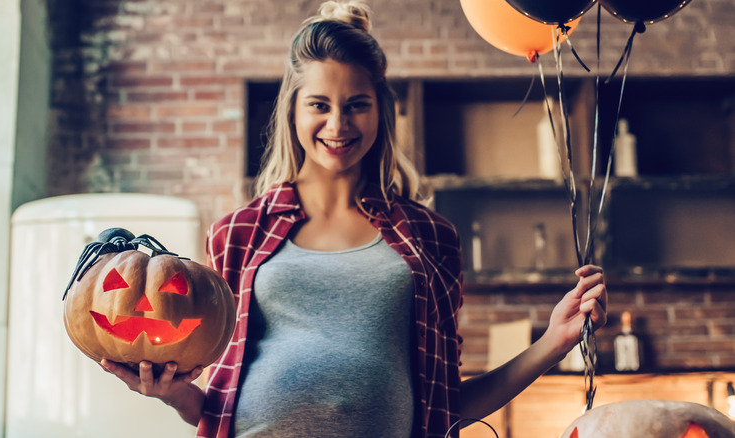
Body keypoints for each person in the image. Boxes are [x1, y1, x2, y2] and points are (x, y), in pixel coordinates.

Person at [100, 1, 608, 437]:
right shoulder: (237, 233)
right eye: (319, 104)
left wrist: (553, 342)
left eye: (357, 105)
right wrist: (169, 393)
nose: (338, 124)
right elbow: (214, 403)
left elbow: (447, 404)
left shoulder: (431, 236)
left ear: (381, 112)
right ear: (293, 111)